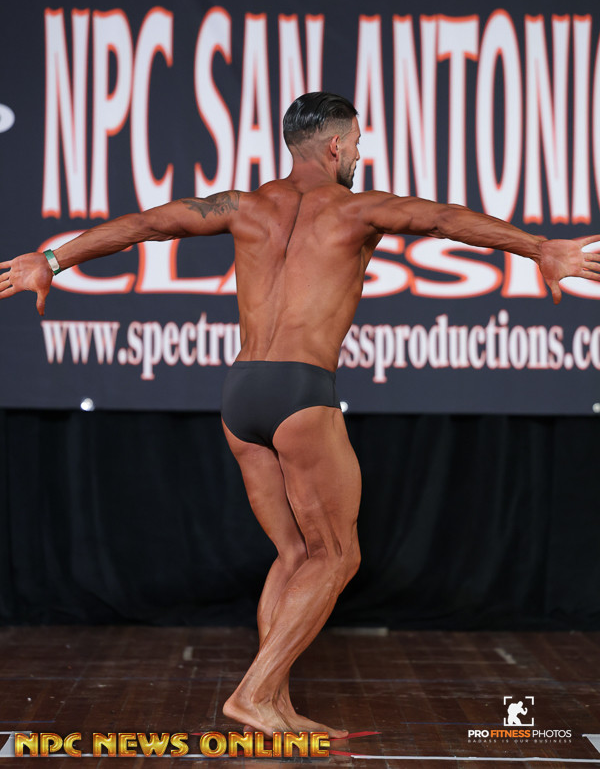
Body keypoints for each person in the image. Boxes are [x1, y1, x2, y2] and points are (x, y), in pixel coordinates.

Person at [1, 92, 599, 737]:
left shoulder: (243, 206)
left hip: (241, 395)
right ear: (336, 145)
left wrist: (51, 260)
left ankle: (275, 707)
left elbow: (148, 224)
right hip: (300, 392)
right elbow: (443, 220)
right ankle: (254, 694)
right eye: (358, 143)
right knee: (337, 555)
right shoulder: (357, 209)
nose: (360, 154)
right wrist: (539, 247)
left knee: (292, 553)